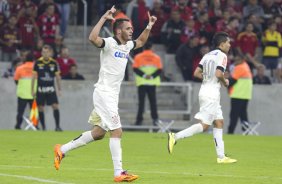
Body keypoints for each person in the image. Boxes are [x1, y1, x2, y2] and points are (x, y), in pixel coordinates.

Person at [53, 6, 157, 182]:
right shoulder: (109, 43)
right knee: (117, 131)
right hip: (104, 93)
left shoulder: (127, 46)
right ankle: (119, 173)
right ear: (118, 30)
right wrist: (103, 18)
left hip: (111, 95)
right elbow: (92, 38)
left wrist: (149, 26)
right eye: (128, 28)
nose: (132, 30)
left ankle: (61, 150)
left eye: (132, 28)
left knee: (99, 133)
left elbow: (140, 42)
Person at [167, 32, 237, 164]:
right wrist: (224, 81)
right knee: (205, 125)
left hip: (206, 90)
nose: (229, 44)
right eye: (228, 42)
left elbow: (196, 73)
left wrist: (209, 78)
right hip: (211, 94)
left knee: (219, 122)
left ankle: (221, 157)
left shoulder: (207, 55)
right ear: (222, 44)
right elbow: (218, 73)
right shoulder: (222, 55)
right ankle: (175, 136)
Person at [31, 44, 62, 131]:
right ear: (41, 53)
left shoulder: (54, 63)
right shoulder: (37, 62)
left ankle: (57, 126)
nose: (45, 54)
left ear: (50, 53)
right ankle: (43, 127)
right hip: (40, 89)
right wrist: (32, 89)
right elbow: (33, 77)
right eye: (43, 52)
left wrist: (59, 89)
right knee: (40, 107)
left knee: (55, 106)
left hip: (51, 89)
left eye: (47, 52)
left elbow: (58, 77)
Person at [133, 41, 163, 126]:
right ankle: (155, 120)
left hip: (142, 82)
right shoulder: (156, 57)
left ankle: (139, 121)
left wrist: (144, 75)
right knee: (153, 102)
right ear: (151, 47)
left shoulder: (138, 57)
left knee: (141, 103)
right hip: (152, 82)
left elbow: (135, 69)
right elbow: (159, 70)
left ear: (143, 47)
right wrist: (152, 76)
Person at [227, 54, 253, 134]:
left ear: (242, 60)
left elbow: (232, 81)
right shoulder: (246, 66)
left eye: (237, 60)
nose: (235, 62)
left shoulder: (239, 67)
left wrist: (225, 82)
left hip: (238, 94)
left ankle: (230, 132)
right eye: (235, 60)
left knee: (233, 114)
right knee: (243, 114)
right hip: (245, 95)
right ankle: (246, 131)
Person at [14, 52, 35, 129]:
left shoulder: (20, 68)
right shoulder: (36, 68)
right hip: (33, 93)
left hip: (22, 93)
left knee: (20, 111)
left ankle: (18, 125)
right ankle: (35, 126)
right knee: (34, 112)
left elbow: (16, 80)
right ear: (33, 59)